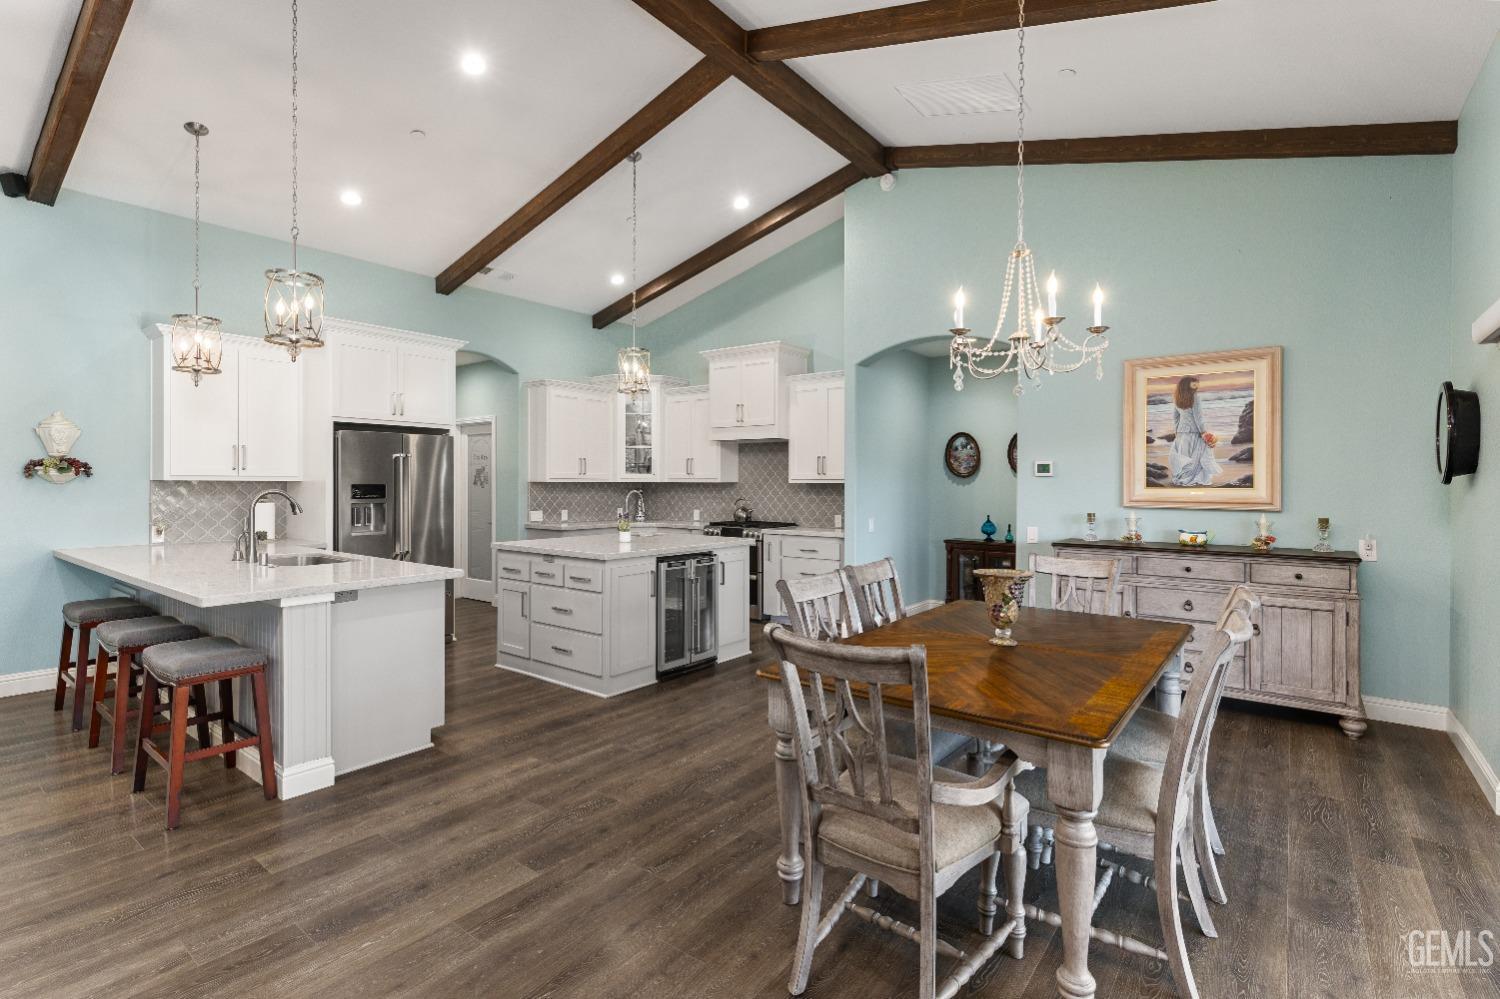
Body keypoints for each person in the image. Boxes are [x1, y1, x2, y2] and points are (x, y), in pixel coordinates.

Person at [1168, 376, 1222, 486]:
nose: (1197, 386)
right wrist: (1203, 431)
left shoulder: (1177, 398)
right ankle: (1190, 479)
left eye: (1197, 384)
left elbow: (1176, 417)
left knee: (1184, 457)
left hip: (1182, 433)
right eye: (1194, 384)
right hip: (1194, 432)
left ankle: (1182, 478)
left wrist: (1177, 431)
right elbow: (1198, 417)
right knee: (1195, 457)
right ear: (1187, 385)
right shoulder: (1195, 397)